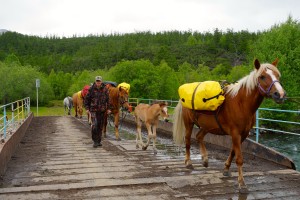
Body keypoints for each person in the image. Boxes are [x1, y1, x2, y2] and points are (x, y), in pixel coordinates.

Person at [84, 76, 111, 148]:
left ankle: (99, 141)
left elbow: (108, 100)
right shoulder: (91, 89)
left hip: (102, 111)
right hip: (93, 110)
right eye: (97, 81)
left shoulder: (105, 89)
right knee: (94, 125)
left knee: (100, 126)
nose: (98, 82)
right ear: (95, 81)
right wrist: (87, 108)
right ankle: (95, 141)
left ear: (101, 81)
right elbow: (86, 99)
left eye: (99, 81)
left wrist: (108, 109)